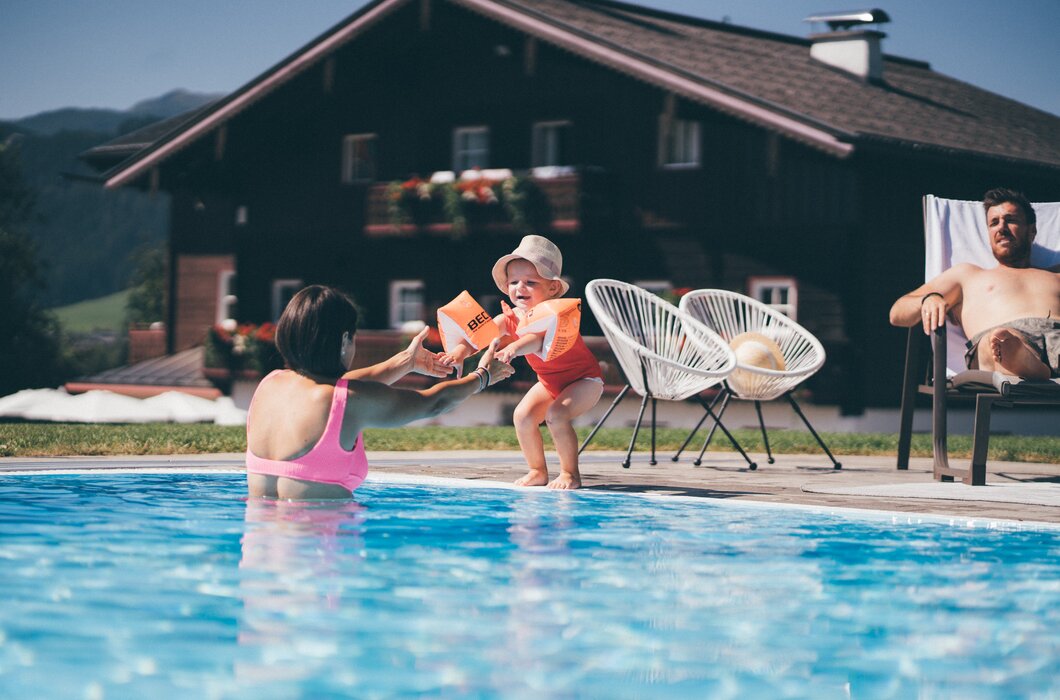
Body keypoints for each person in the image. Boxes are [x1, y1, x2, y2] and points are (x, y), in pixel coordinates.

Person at [246, 285, 514, 499]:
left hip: (259, 556)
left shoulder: (270, 384)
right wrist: (483, 376)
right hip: (321, 556)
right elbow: (434, 402)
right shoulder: (347, 401)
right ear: (343, 341)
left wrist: (404, 363)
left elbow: (332, 387)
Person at [440, 235, 603, 489]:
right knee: (523, 416)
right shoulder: (509, 317)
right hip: (550, 382)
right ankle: (537, 470)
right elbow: (478, 337)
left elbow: (536, 341)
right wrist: (459, 353)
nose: (520, 288)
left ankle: (570, 474)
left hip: (584, 380)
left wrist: (513, 348)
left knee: (557, 416)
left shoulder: (554, 315)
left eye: (530, 282)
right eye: (514, 282)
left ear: (553, 289)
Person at [889, 187, 1060, 379]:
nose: (1001, 228)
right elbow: (897, 313)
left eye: (1010, 220)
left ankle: (1032, 368)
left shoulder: (1054, 274)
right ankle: (1022, 359)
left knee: (1006, 345)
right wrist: (928, 299)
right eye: (994, 223)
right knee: (997, 342)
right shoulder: (968, 275)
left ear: (1032, 231)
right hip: (1001, 342)